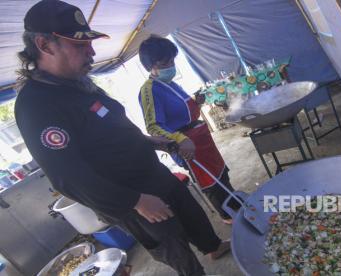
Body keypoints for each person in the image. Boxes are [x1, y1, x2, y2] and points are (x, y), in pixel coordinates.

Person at [14, 1, 229, 275]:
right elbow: (69, 177)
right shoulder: (36, 104)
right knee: (171, 243)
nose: (91, 52)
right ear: (44, 45)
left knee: (190, 212)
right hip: (130, 196)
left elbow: (111, 127)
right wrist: (135, 201)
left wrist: (148, 141)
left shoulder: (77, 83)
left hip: (154, 173)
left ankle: (213, 246)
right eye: (79, 45)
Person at [138, 35, 240, 225]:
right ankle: (228, 216)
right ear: (151, 65)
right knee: (209, 181)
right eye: (165, 62)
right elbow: (154, 127)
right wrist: (180, 139)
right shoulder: (149, 90)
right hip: (187, 146)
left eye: (172, 60)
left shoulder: (171, 84)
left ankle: (234, 200)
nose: (171, 65)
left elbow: (185, 113)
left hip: (202, 139)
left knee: (220, 173)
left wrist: (196, 102)